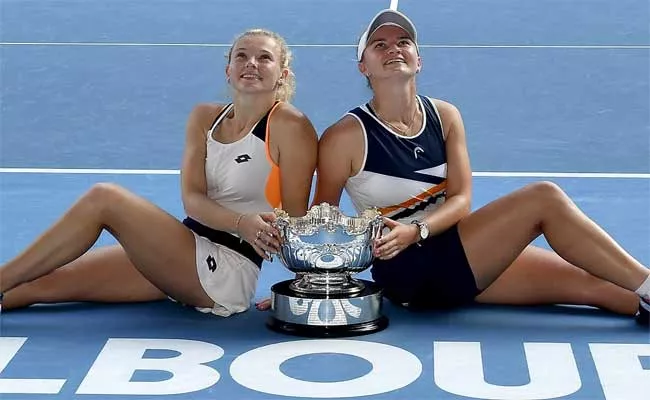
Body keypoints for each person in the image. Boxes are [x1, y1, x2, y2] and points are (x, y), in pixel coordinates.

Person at [303, 9, 650, 324]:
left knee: (604, 288)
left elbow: (461, 201)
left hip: (457, 250)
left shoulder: (445, 116)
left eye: (403, 42)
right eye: (380, 45)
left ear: (418, 60)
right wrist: (302, 288)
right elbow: (323, 219)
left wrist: (418, 229)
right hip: (408, 270)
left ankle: (644, 293)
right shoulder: (345, 136)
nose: (394, 49)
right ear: (364, 66)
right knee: (544, 198)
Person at [0, 28, 318, 317]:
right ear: (229, 70)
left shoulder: (290, 125)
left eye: (264, 58)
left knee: (105, 199)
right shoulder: (205, 117)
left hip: (225, 272)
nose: (252, 63)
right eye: (242, 56)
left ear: (282, 74)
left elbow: (296, 217)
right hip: (183, 250)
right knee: (37, 285)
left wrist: (299, 288)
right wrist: (239, 220)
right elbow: (192, 199)